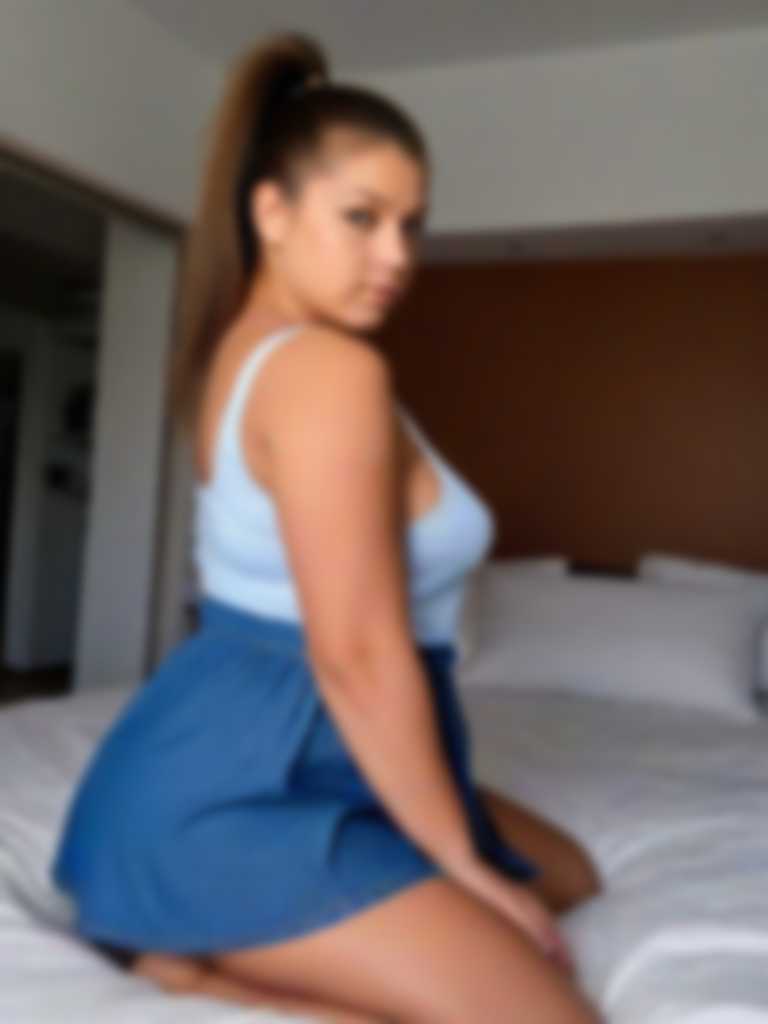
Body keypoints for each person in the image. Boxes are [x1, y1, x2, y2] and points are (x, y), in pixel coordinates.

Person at [49, 30, 603, 1024]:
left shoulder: (258, 351)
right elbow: (352, 651)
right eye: (362, 218)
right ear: (271, 212)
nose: (397, 257)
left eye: (412, 225)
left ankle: (224, 948)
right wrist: (458, 863)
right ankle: (197, 974)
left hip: (301, 747)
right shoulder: (325, 369)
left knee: (569, 876)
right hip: (247, 784)